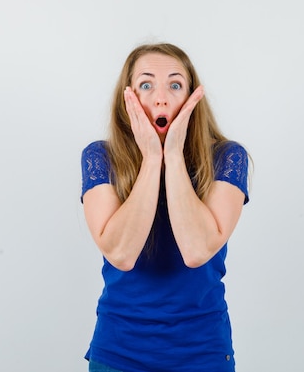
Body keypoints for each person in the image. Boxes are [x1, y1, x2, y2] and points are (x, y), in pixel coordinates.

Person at [80, 43, 249, 372]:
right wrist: (152, 158)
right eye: (146, 84)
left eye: (175, 84)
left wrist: (173, 156)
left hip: (203, 355)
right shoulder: (100, 157)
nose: (161, 97)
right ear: (127, 98)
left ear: (191, 98)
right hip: (119, 354)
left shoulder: (227, 158)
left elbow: (197, 249)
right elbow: (122, 253)